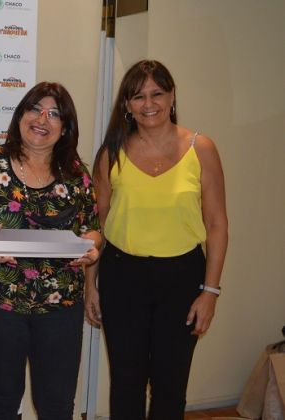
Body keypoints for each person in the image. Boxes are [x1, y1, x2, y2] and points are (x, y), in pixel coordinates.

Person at [0, 82, 101, 419]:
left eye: (54, 114)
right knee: (2, 402)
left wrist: (91, 249)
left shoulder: (76, 174)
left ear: (65, 128)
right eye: (35, 109)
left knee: (57, 405)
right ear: (20, 116)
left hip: (60, 305)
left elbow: (92, 228)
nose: (42, 119)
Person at [87, 60, 228, 419]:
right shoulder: (111, 153)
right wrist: (90, 285)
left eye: (157, 94)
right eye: (138, 96)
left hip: (183, 279)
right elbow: (97, 226)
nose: (149, 104)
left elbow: (217, 224)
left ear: (172, 96)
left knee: (171, 384)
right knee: (126, 383)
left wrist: (210, 292)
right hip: (122, 277)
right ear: (127, 104)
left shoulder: (201, 148)